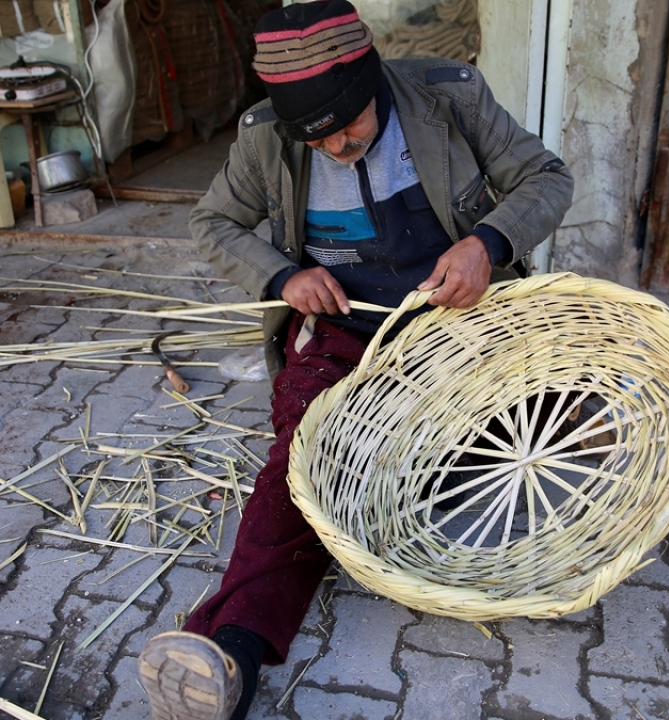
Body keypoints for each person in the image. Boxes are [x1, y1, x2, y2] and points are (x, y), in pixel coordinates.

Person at [137, 2, 573, 718]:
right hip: (346, 327)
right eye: (319, 139)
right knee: (309, 454)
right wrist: (283, 278)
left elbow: (547, 178)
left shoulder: (449, 97)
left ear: (373, 82)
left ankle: (425, 470)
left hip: (454, 323)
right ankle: (232, 653)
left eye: (350, 126)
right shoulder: (264, 139)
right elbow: (210, 222)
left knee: (491, 439)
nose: (339, 146)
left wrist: (486, 244)